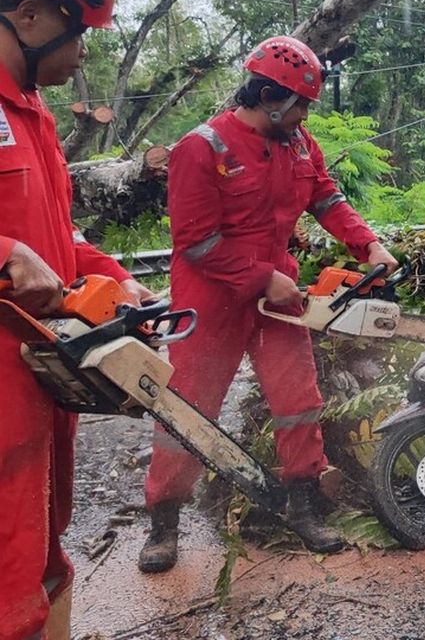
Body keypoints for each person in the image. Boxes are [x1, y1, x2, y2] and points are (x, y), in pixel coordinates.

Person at [139, 36, 399, 574]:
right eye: (299, 104)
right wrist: (261, 278)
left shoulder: (299, 144)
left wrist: (366, 243)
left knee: (298, 397)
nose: (304, 115)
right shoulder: (202, 147)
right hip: (212, 294)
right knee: (188, 409)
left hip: (278, 290)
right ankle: (164, 520)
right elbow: (196, 242)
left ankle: (303, 506)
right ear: (265, 94)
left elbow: (326, 197)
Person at [0, 0, 156, 640]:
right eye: (78, 27)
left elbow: (58, 241)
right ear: (27, 14)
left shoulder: (31, 116)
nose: (84, 47)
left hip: (38, 379)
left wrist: (115, 280)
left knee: (42, 557)